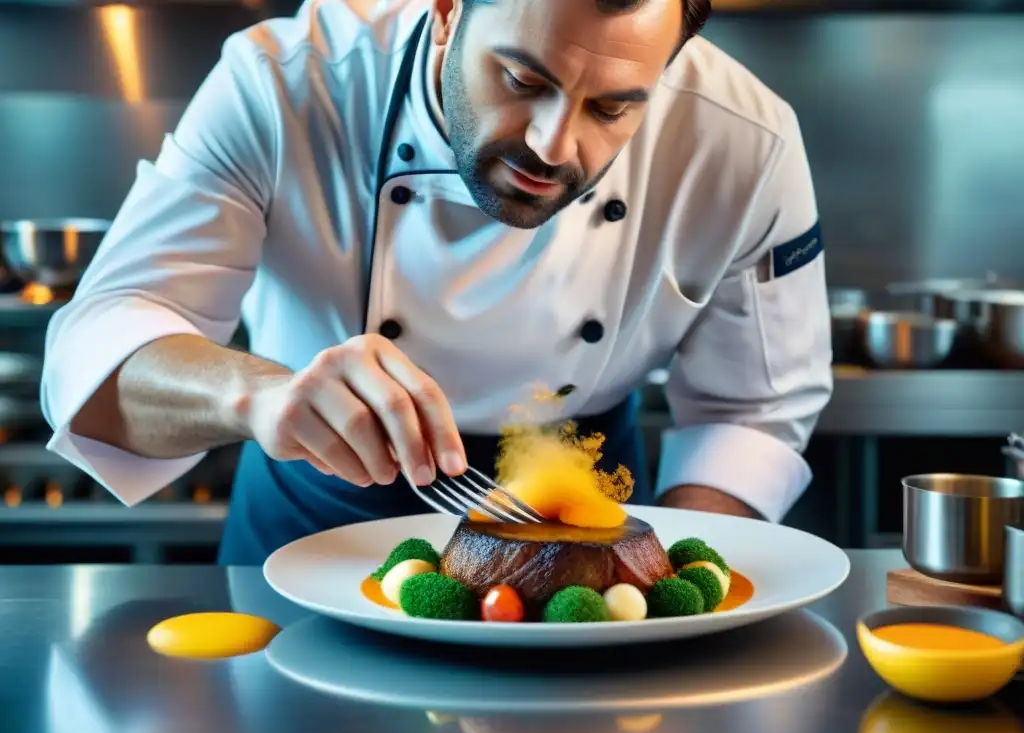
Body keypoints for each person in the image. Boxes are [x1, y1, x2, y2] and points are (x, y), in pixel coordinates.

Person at [40, 0, 834, 565]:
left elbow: (754, 411)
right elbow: (99, 348)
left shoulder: (747, 140)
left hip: (585, 528)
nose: (554, 146)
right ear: (447, 12)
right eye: (523, 80)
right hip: (312, 520)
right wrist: (262, 397)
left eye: (613, 109)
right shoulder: (286, 83)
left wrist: (662, 590)